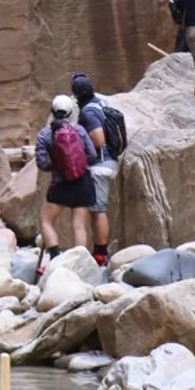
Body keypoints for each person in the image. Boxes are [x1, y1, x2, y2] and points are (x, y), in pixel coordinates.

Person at [35, 94, 98, 259]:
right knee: (79, 225)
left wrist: (58, 165)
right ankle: (80, 262)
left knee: (46, 220)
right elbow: (91, 155)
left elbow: (41, 163)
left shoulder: (44, 134)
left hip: (60, 184)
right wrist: (76, 163)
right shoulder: (80, 130)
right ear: (71, 112)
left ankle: (55, 257)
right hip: (83, 181)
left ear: (52, 111)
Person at [70, 73, 115, 265]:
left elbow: (98, 139)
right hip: (109, 161)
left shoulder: (88, 112)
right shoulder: (101, 103)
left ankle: (101, 252)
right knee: (97, 209)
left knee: (98, 210)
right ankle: (99, 250)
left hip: (100, 165)